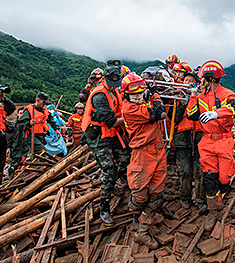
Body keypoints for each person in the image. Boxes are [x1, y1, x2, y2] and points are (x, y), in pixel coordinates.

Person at [186, 60, 235, 231]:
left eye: (203, 78)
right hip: (207, 141)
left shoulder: (227, 94)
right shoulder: (201, 95)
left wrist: (216, 113)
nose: (201, 81)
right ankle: (214, 210)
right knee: (209, 180)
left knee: (224, 180)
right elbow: (191, 115)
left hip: (224, 140)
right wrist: (193, 96)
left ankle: (221, 194)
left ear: (210, 78)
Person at [81, 60, 131, 226]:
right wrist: (132, 118)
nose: (113, 86)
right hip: (98, 136)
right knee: (109, 171)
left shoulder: (115, 90)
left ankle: (117, 181)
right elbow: (110, 121)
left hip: (111, 133)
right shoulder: (99, 95)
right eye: (111, 83)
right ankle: (104, 208)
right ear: (104, 79)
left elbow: (121, 109)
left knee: (126, 158)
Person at [121, 73, 167, 249]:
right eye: (135, 94)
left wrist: (152, 94)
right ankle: (136, 219)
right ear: (126, 95)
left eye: (141, 93)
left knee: (157, 196)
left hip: (158, 150)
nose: (139, 97)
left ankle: (143, 230)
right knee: (139, 197)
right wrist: (155, 94)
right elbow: (157, 113)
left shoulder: (141, 103)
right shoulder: (130, 109)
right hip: (142, 154)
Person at [172, 71, 205, 210]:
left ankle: (200, 198)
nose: (187, 83)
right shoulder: (176, 97)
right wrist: (180, 103)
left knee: (200, 169)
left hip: (199, 136)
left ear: (197, 84)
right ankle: (185, 197)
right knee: (184, 170)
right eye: (185, 80)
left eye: (191, 81)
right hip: (182, 137)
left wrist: (194, 97)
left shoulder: (202, 97)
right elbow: (174, 118)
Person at [11, 92, 59, 173]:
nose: (44, 104)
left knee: (35, 155)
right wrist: (29, 123)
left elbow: (51, 120)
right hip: (30, 136)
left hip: (40, 136)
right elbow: (19, 125)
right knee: (41, 152)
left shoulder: (44, 110)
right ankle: (30, 171)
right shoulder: (29, 110)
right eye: (43, 102)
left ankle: (35, 170)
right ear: (38, 100)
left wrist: (56, 129)